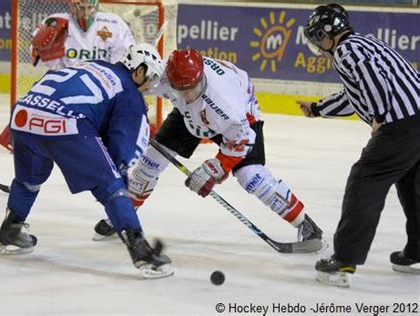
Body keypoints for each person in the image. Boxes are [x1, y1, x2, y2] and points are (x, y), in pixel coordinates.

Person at [94, 48, 325, 252]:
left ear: (200, 77)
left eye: (192, 88)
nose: (189, 95)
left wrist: (215, 168)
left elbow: (243, 139)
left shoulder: (225, 103)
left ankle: (305, 225)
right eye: (181, 89)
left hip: (240, 119)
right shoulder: (165, 74)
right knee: (148, 164)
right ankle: (123, 219)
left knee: (251, 176)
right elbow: (128, 84)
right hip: (188, 116)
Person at [0, 43, 173, 279]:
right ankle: (142, 252)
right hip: (65, 123)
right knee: (112, 186)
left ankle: (10, 229)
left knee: (28, 179)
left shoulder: (92, 65)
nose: (151, 86)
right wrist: (116, 179)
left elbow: (50, 83)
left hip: (23, 113)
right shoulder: (130, 92)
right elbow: (123, 150)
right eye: (151, 77)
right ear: (138, 71)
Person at [297, 3, 420, 287]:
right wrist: (317, 109)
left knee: (364, 182)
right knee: (413, 188)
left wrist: (379, 116)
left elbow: (371, 81)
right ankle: (416, 253)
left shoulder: (345, 52)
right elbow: (356, 94)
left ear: (329, 33)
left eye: (318, 36)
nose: (318, 43)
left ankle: (344, 260)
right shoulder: (366, 42)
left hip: (400, 126)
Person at [0, 0, 137, 237]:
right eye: (80, 7)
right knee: (36, 155)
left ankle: (118, 216)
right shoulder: (54, 23)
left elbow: (125, 66)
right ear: (72, 5)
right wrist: (43, 51)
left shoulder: (114, 25)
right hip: (65, 100)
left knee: (115, 160)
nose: (84, 12)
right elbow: (40, 59)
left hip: (99, 100)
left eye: (89, 7)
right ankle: (16, 215)